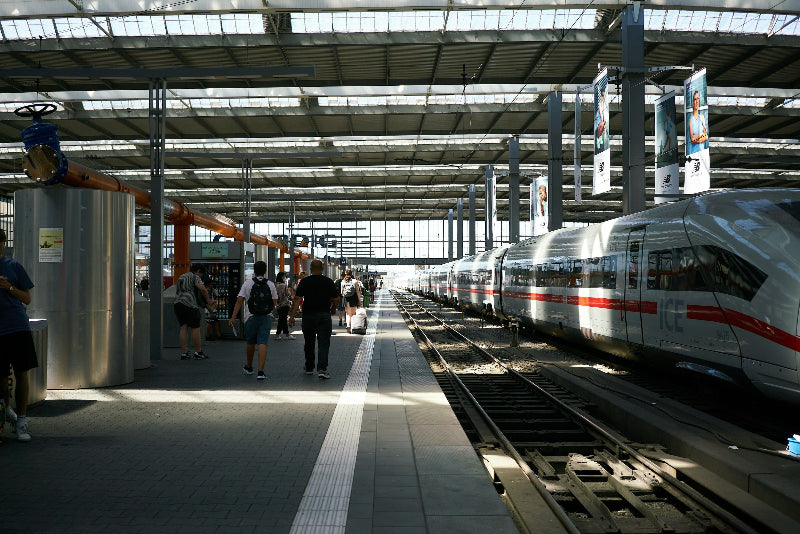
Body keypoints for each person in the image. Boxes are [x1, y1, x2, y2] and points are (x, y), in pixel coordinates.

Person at [0, 228, 36, 442]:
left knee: (22, 372)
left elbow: (27, 299)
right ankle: (7, 414)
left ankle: (21, 419)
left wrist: (9, 287)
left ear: (3, 244)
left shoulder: (14, 267)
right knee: (1, 378)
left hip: (17, 327)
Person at [289, 259, 338, 379]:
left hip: (308, 316)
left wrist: (291, 316)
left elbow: (297, 299)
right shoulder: (328, 281)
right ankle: (322, 369)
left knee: (309, 342)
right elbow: (336, 299)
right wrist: (333, 309)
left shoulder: (305, 281)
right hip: (324, 316)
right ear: (322, 269)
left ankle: (309, 367)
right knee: (324, 343)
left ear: (310, 269)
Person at [229, 261, 278, 380]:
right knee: (263, 342)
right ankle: (261, 372)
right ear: (265, 271)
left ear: (254, 271)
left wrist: (233, 317)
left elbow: (240, 300)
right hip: (266, 317)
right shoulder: (271, 284)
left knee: (250, 342)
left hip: (250, 317)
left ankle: (249, 367)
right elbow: (274, 302)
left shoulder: (248, 283)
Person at [174, 263, 213, 360]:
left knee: (184, 327)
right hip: (190, 304)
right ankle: (198, 352)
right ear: (199, 271)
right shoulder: (195, 277)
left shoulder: (182, 276)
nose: (201, 276)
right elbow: (203, 289)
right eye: (201, 274)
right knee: (196, 328)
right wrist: (208, 299)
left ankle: (184, 353)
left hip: (178, 303)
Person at [273, 271, 295, 340]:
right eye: (284, 276)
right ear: (282, 277)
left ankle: (285, 334)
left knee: (282, 319)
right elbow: (288, 294)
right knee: (282, 319)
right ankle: (282, 334)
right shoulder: (284, 285)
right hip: (284, 303)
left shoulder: (275, 285)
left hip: (278, 304)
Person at [340, 269, 362, 334]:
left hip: (346, 299)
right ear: (351, 274)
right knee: (353, 314)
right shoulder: (355, 281)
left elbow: (341, 293)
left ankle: (348, 325)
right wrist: (359, 301)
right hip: (353, 299)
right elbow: (357, 292)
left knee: (347, 314)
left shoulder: (343, 282)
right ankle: (352, 327)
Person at [687, 90, 708, 154]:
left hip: (702, 153)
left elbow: (706, 136)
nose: (696, 102)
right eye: (695, 99)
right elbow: (692, 139)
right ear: (692, 102)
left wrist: (697, 138)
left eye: (698, 99)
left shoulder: (702, 117)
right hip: (694, 154)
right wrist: (701, 135)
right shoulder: (690, 119)